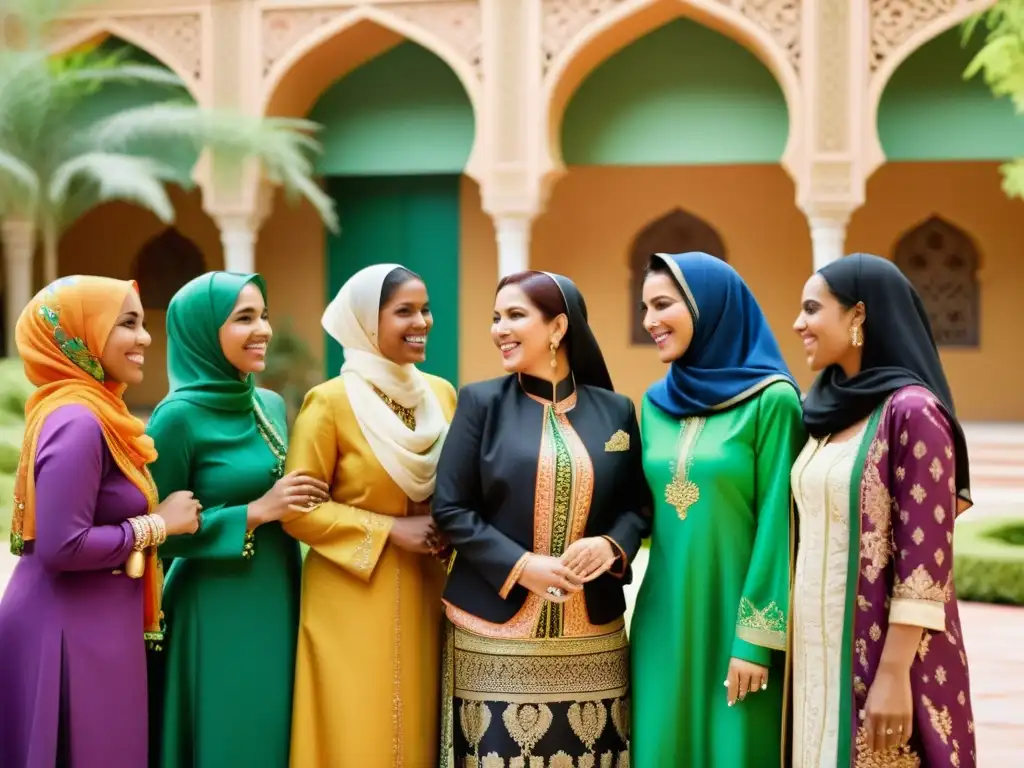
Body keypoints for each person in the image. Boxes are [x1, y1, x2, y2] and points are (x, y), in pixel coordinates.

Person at [432, 270, 649, 767]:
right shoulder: (480, 403)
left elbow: (637, 506)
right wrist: (522, 565)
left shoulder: (616, 411)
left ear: (557, 328)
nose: (499, 329)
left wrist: (611, 546)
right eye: (495, 317)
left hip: (592, 639)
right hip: (493, 633)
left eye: (514, 315)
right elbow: (450, 508)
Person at [0, 276, 200, 768]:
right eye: (126, 323)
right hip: (66, 632)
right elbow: (60, 547)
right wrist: (159, 525)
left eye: (144, 323)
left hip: (94, 624)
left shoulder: (97, 412)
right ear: (80, 336)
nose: (145, 337)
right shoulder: (78, 421)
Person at [792, 253, 976, 767]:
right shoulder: (824, 410)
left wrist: (893, 674)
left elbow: (925, 561)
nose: (798, 323)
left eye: (812, 308)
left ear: (857, 316)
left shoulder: (913, 412)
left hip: (884, 656)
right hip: (816, 653)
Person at [145, 271, 330, 767]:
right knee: (231, 735)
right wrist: (255, 512)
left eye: (264, 315)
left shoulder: (267, 403)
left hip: (277, 591)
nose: (263, 329)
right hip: (215, 605)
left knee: (273, 733)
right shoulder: (175, 417)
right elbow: (153, 536)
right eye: (243, 318)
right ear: (203, 330)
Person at [630, 252, 804, 767]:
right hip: (663, 618)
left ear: (709, 307)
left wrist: (755, 640)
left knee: (734, 751)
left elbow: (780, 525)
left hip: (738, 619)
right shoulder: (654, 404)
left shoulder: (772, 401)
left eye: (663, 304)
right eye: (644, 307)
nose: (649, 322)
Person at [283, 264, 457, 766]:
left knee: (421, 725)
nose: (422, 321)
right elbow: (298, 511)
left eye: (425, 309)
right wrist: (388, 530)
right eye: (404, 311)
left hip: (428, 586)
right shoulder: (330, 403)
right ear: (365, 322)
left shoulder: (440, 395)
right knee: (356, 726)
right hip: (350, 594)